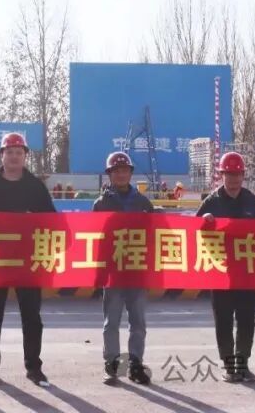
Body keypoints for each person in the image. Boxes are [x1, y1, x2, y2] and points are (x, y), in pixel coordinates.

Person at [0, 132, 56, 387]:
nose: (14, 157)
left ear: (25, 156)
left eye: (19, 152)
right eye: (10, 152)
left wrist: (34, 220)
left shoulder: (35, 187)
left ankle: (34, 367)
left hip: (28, 263)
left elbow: (53, 221)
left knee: (32, 317)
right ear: (2, 155)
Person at [196, 152, 255, 383]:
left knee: (247, 319)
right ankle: (229, 365)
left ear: (243, 175)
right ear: (221, 175)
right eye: (229, 174)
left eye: (237, 174)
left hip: (247, 273)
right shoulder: (211, 202)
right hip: (221, 272)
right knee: (224, 320)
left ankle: (243, 363)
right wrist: (204, 222)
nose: (233, 179)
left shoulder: (251, 201)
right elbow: (194, 233)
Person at [93, 151, 154, 385]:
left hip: (137, 270)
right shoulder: (101, 204)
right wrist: (98, 273)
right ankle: (112, 363)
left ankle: (135, 364)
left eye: (125, 170)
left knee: (138, 322)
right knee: (112, 322)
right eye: (116, 171)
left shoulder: (143, 203)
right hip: (113, 273)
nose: (121, 174)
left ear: (130, 173)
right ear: (109, 174)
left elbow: (155, 233)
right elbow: (95, 239)